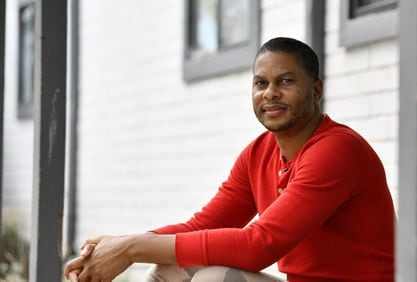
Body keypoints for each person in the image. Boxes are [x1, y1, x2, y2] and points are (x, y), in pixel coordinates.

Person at [64, 37, 395, 282]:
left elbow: (259, 245)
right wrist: (120, 244)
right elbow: (203, 226)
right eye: (261, 83)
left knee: (214, 279)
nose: (270, 93)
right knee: (172, 264)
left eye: (286, 81)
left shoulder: (337, 150)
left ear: (317, 90)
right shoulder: (259, 152)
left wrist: (131, 249)